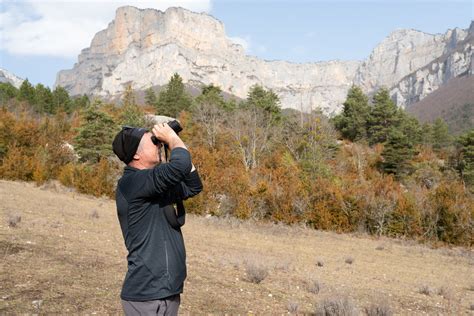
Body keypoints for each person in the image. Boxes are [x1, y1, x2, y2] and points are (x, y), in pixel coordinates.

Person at [112, 122, 203, 316]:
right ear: (136, 154)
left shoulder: (151, 186)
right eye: (153, 142)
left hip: (167, 291)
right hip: (145, 295)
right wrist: (173, 139)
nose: (159, 145)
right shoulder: (132, 183)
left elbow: (193, 185)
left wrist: (174, 143)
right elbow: (180, 166)